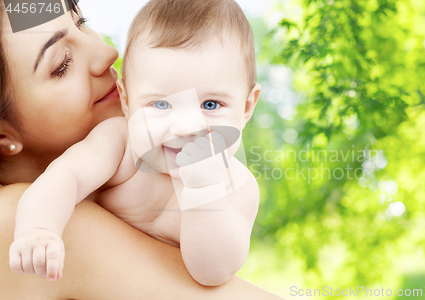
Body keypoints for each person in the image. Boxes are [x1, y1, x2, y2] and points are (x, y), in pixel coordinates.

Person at [0, 1, 282, 299]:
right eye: (61, 65)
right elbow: (65, 176)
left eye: (82, 21)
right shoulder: (119, 145)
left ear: (247, 106)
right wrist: (39, 228)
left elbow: (214, 272)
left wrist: (204, 191)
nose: (108, 52)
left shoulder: (235, 185)